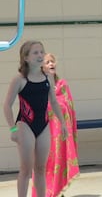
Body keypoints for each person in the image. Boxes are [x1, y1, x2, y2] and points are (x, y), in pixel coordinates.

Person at [3, 40, 67, 197]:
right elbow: (6, 105)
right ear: (26, 58)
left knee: (40, 168)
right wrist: (13, 128)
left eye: (41, 52)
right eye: (35, 53)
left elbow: (53, 101)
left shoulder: (48, 78)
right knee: (26, 168)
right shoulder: (19, 79)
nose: (40, 55)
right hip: (25, 125)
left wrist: (63, 123)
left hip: (43, 125)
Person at [32, 53, 79, 197]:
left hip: (59, 134)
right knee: (45, 163)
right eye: (47, 62)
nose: (51, 64)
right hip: (44, 132)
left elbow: (68, 107)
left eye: (52, 61)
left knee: (58, 161)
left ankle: (58, 192)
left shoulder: (62, 85)